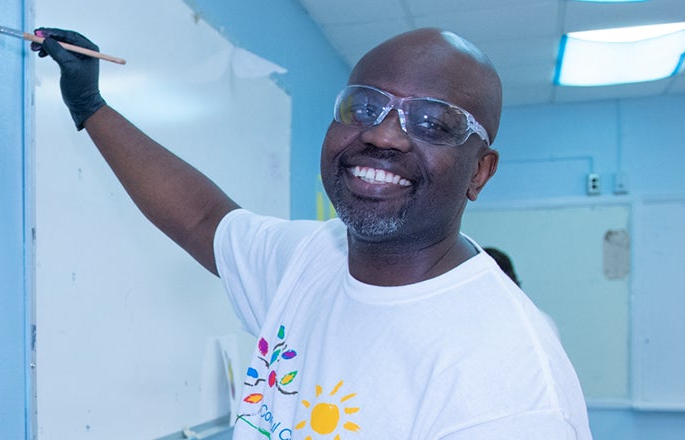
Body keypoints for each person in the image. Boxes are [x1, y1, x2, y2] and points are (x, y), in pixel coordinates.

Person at [34, 27, 591, 439]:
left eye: (433, 122)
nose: (384, 136)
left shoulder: (510, 391)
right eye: (364, 106)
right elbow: (201, 217)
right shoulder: (310, 259)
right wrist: (89, 104)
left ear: (481, 171)